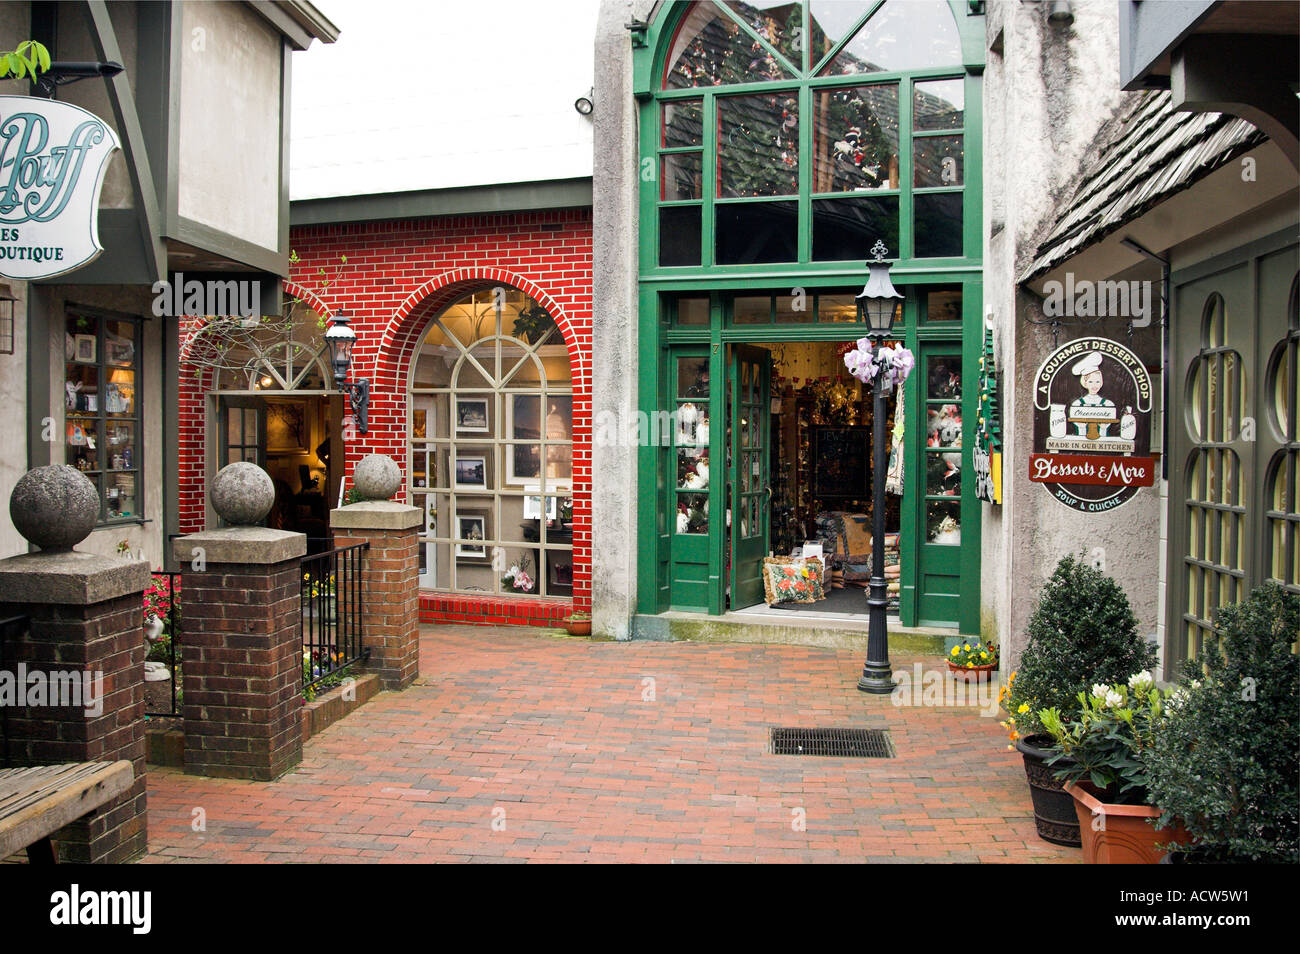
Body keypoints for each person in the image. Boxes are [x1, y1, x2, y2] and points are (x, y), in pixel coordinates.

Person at [1069, 352, 1115, 437]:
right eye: (1090, 382)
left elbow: (1105, 433)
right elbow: (1079, 431)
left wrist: (1103, 428)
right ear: (1085, 383)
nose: (1094, 385)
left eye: (1097, 382)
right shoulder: (1077, 404)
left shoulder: (1108, 404)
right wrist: (1082, 427)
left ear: (1101, 383)